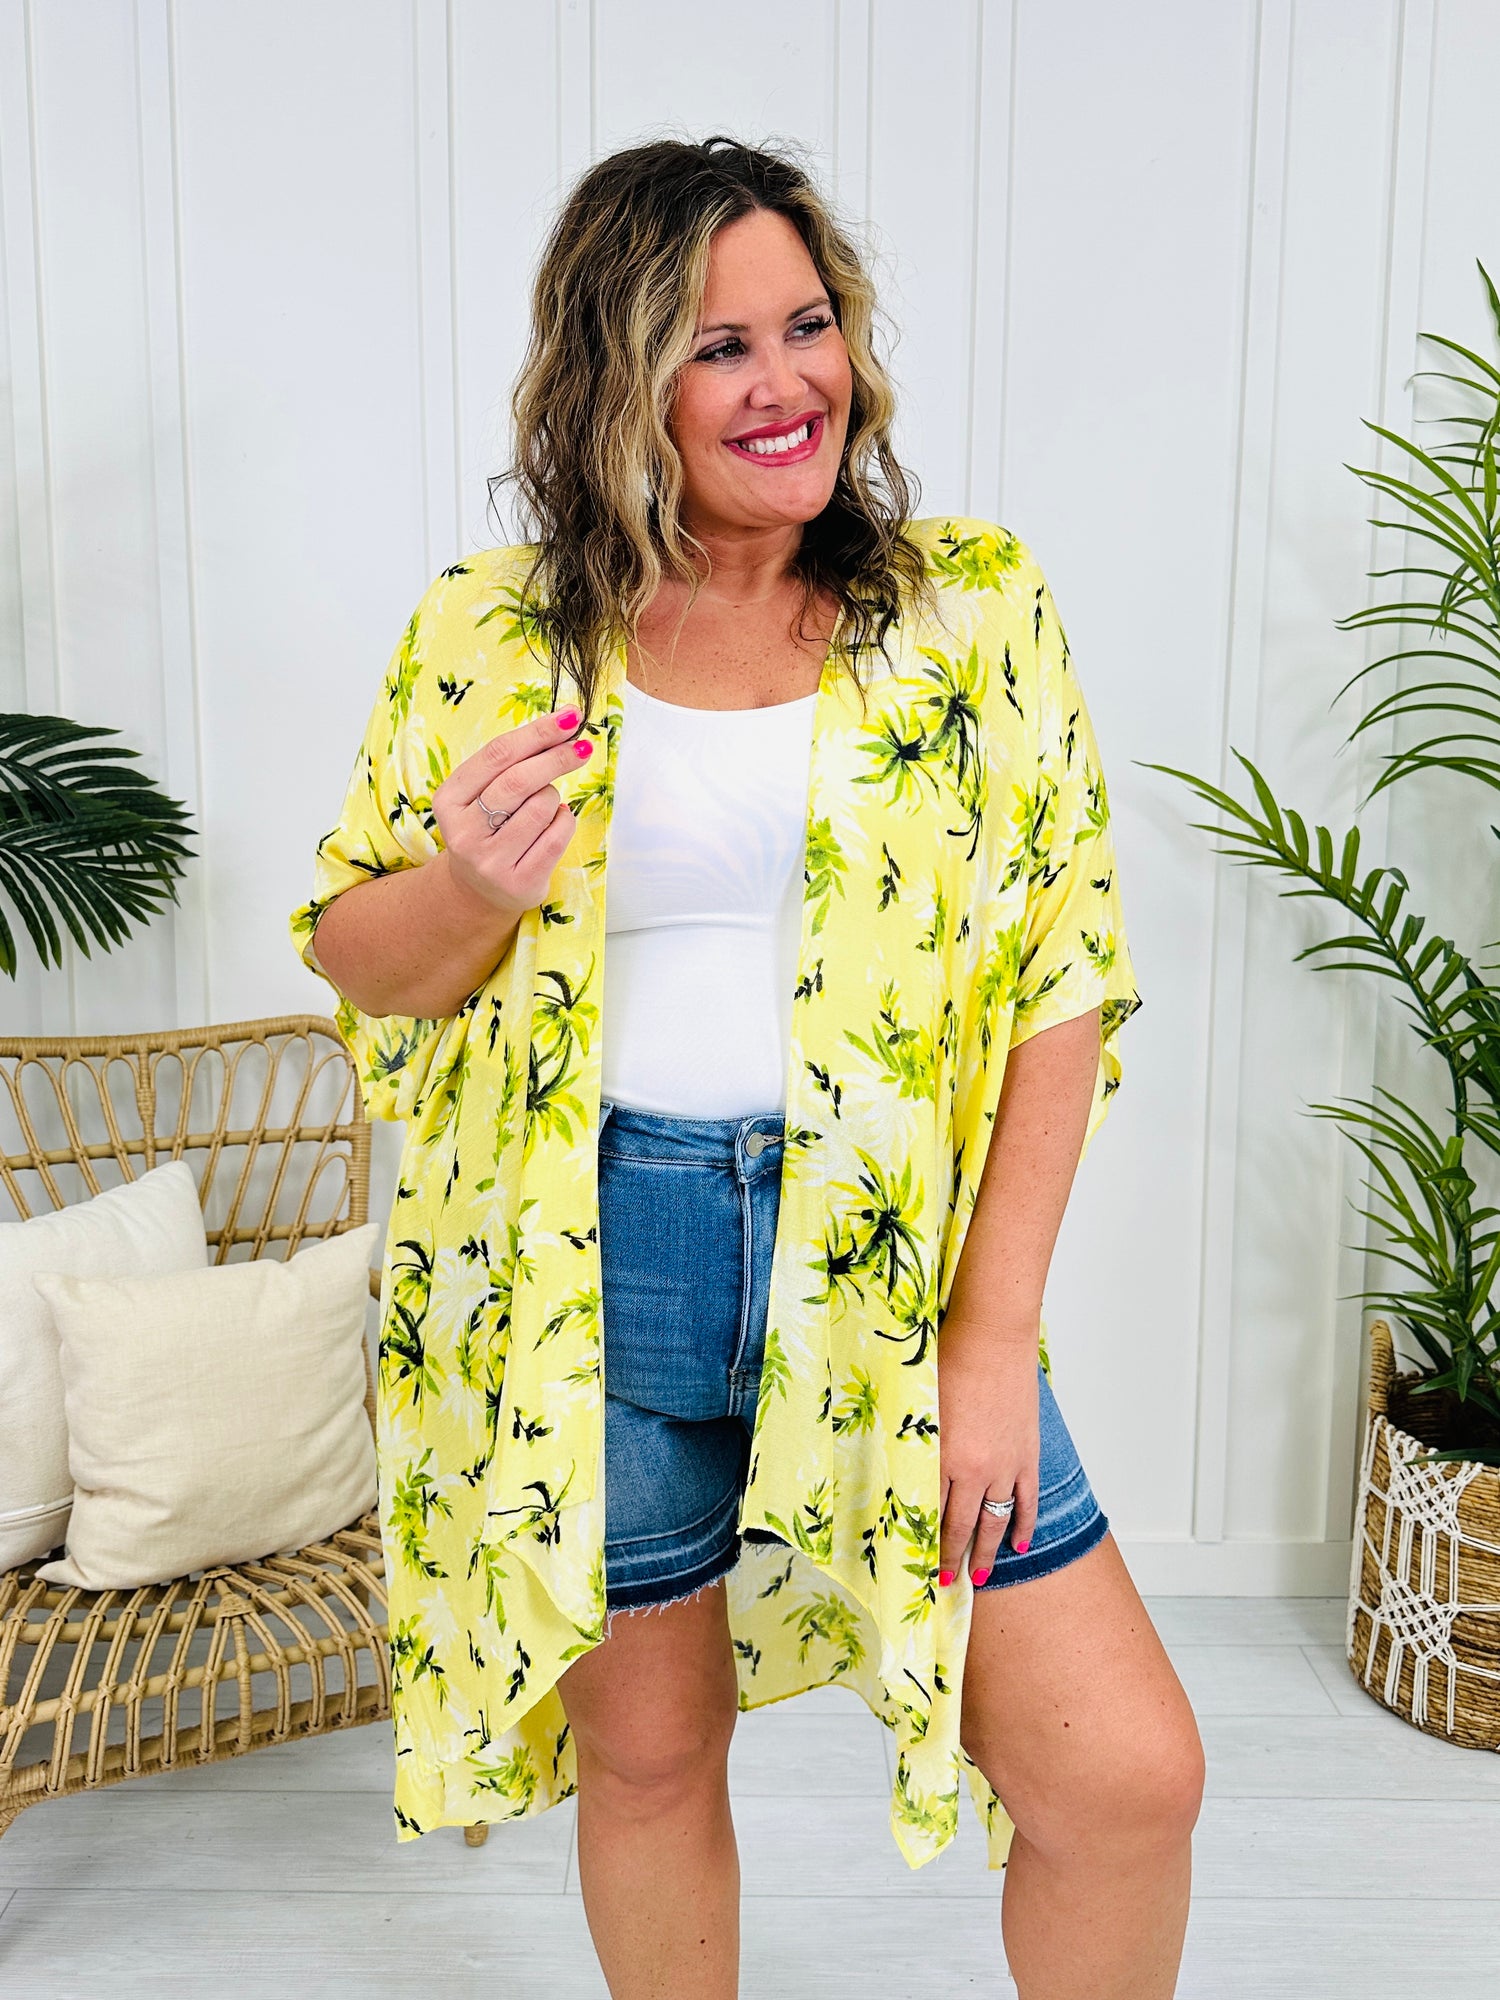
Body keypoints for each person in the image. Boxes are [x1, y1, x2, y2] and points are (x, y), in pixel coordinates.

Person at [290, 134, 1204, 2000]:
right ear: (617, 377)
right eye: (719, 345)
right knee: (645, 1758)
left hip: (879, 1268)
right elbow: (360, 959)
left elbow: (1064, 975)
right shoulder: (490, 630)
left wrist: (993, 1339)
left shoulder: (968, 608)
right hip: (585, 1270)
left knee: (1124, 1779)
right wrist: (470, 886)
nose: (785, 381)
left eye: (808, 325)